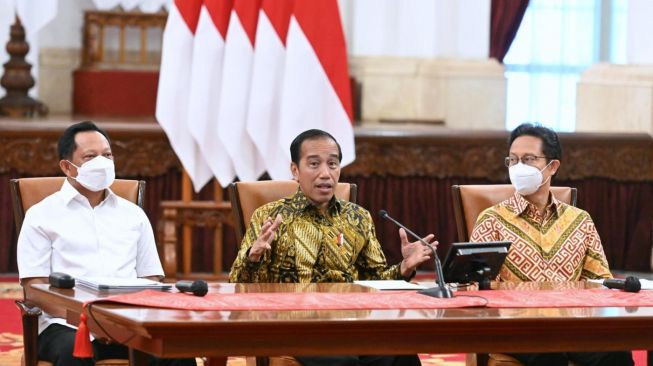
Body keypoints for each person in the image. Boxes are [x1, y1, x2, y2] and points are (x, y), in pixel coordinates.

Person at [230, 129, 435, 366]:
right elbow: (237, 286)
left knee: (402, 355)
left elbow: (376, 280)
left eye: (333, 164)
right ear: (295, 170)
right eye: (314, 164)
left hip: (350, 323)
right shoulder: (269, 216)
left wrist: (403, 269)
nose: (325, 174)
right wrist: (253, 257)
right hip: (293, 324)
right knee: (342, 362)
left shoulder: (357, 218)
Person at [16, 121, 195, 366]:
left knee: (179, 352)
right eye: (90, 157)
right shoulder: (41, 215)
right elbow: (35, 289)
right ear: (68, 167)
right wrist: (92, 320)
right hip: (64, 325)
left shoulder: (133, 215)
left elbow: (152, 279)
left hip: (128, 324)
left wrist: (121, 322)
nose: (102, 162)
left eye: (107, 155)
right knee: (72, 352)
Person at [469, 122, 633, 366]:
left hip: (573, 326)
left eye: (528, 159)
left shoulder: (580, 221)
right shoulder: (491, 221)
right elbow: (474, 287)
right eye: (513, 160)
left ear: (552, 166)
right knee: (549, 356)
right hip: (517, 328)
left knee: (617, 354)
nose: (518, 167)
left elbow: (601, 283)